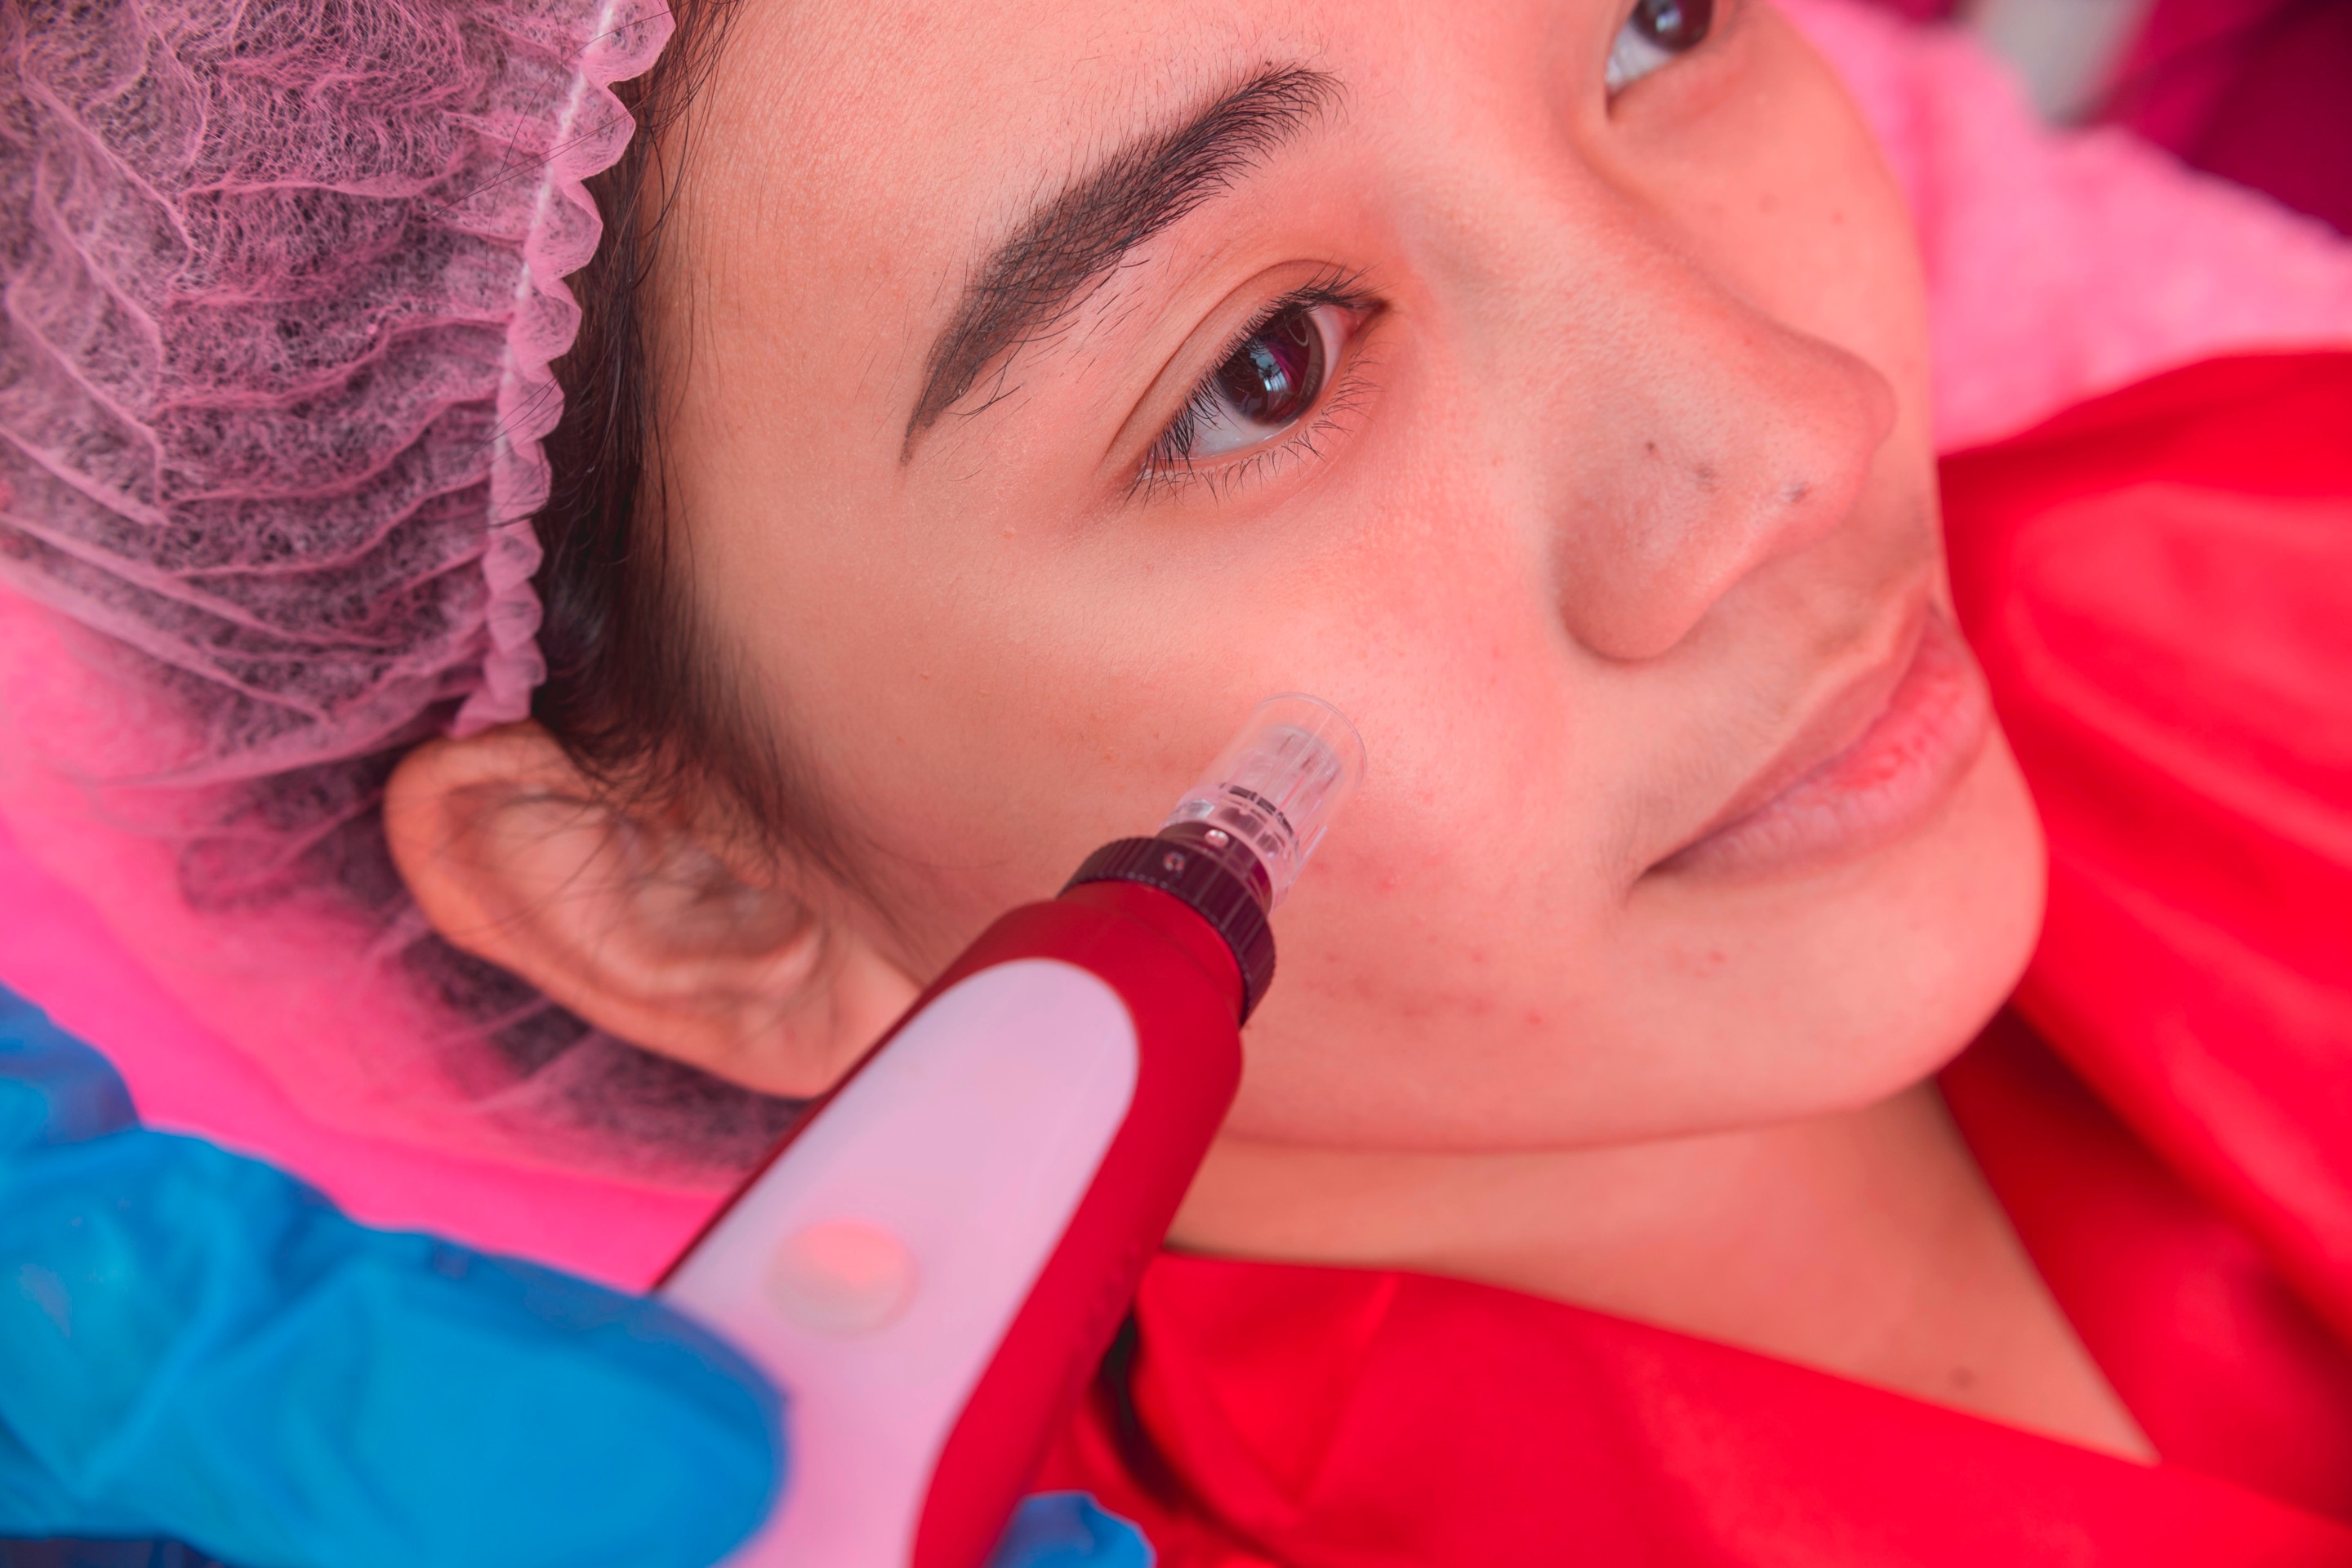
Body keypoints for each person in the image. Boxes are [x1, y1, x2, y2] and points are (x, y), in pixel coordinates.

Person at [1, 0, 2347, 1563]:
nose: (1793, 436)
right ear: (675, 898)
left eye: (1649, 17)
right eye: (1269, 370)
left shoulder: (2277, 517)